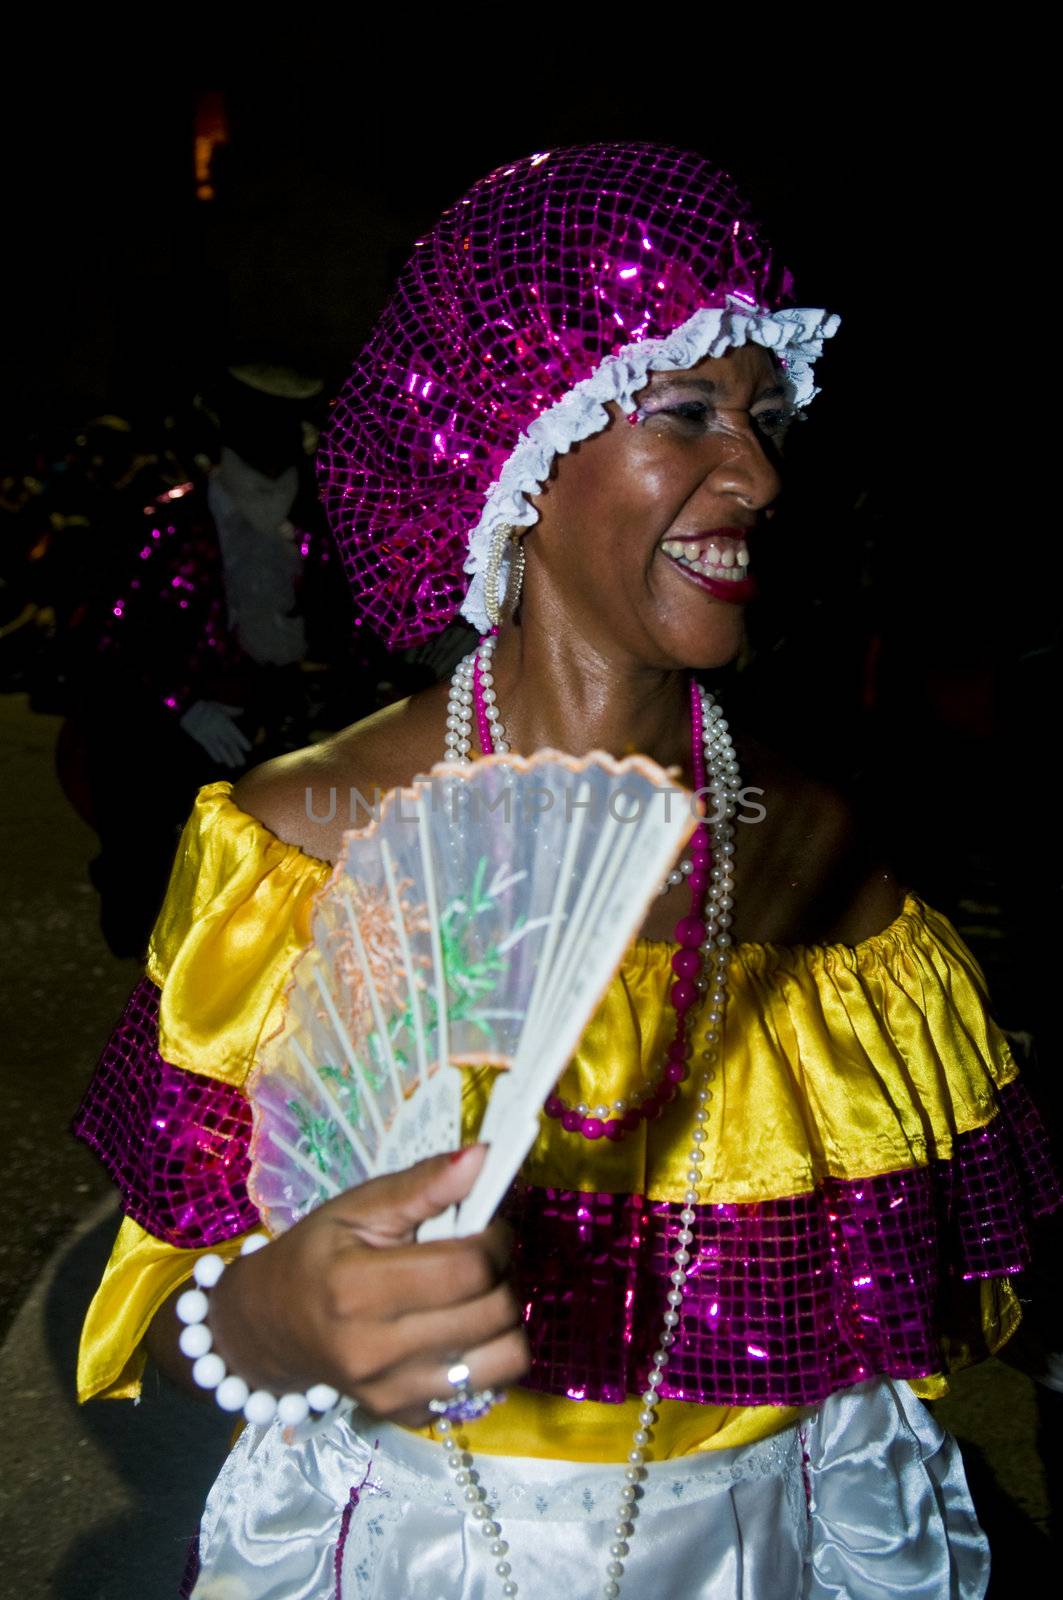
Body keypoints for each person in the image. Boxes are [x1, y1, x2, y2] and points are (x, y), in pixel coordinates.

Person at [73, 143, 1060, 1599]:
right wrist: (267, 1320)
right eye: (689, 411)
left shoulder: (831, 860)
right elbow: (161, 1329)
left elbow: (926, 1324)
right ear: (516, 455)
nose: (762, 472)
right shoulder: (304, 844)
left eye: (768, 414)